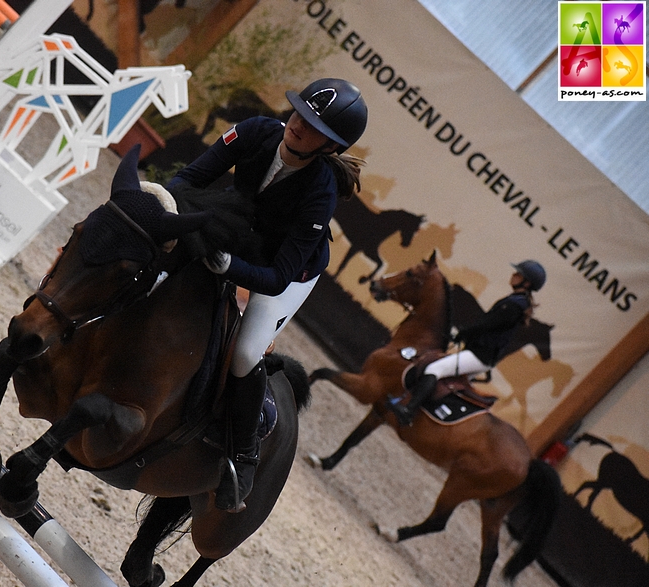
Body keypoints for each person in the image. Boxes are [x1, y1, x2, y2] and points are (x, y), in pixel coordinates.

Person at [167, 78, 368, 512]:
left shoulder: (320, 191)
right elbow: (189, 179)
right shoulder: (257, 130)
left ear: (329, 148)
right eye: (299, 113)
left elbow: (276, 277)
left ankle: (243, 458)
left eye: (314, 127)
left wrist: (226, 267)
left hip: (287, 271)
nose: (298, 125)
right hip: (235, 237)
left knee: (243, 353)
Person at [387, 260, 547, 427]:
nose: (514, 275)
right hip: (480, 354)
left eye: (518, 274)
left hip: (480, 356)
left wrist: (464, 333)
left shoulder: (515, 305)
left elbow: (488, 325)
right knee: (447, 382)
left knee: (434, 369)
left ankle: (408, 411)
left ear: (526, 283)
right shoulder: (517, 301)